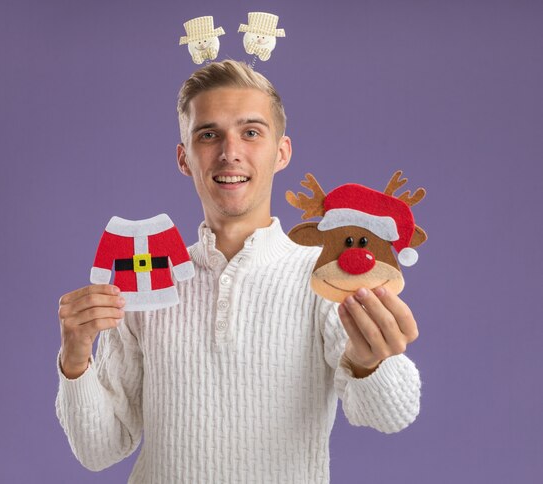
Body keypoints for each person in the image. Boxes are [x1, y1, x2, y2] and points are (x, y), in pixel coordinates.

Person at [56, 60, 421, 483]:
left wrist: (370, 362)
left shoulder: (324, 275)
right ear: (184, 158)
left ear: (281, 151)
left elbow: (392, 413)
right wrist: (75, 360)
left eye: (251, 132)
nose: (230, 151)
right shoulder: (148, 282)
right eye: (208, 134)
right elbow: (100, 449)